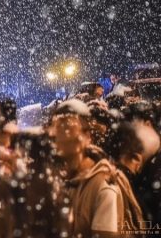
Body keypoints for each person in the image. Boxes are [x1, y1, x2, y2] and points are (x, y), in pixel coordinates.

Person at [49, 99, 123, 236]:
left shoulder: (102, 185)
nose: (57, 136)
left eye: (67, 129)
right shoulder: (58, 179)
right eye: (55, 128)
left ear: (87, 136)